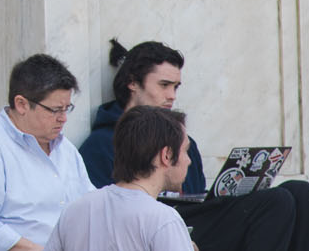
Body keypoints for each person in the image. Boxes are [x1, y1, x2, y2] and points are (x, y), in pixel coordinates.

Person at [78, 40, 309, 251]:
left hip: (193, 218)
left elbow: (196, 195)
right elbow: (109, 215)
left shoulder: (185, 141)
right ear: (133, 83)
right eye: (164, 85)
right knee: (276, 202)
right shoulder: (100, 145)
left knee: (300, 192)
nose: (172, 95)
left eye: (176, 87)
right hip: (159, 224)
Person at [0, 54, 94, 251]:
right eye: (55, 110)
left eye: (67, 109)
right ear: (22, 104)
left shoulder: (66, 150)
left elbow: (89, 206)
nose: (63, 119)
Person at [45, 106, 196, 251]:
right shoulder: (164, 220)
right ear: (167, 155)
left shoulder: (74, 210)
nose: (188, 160)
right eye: (185, 151)